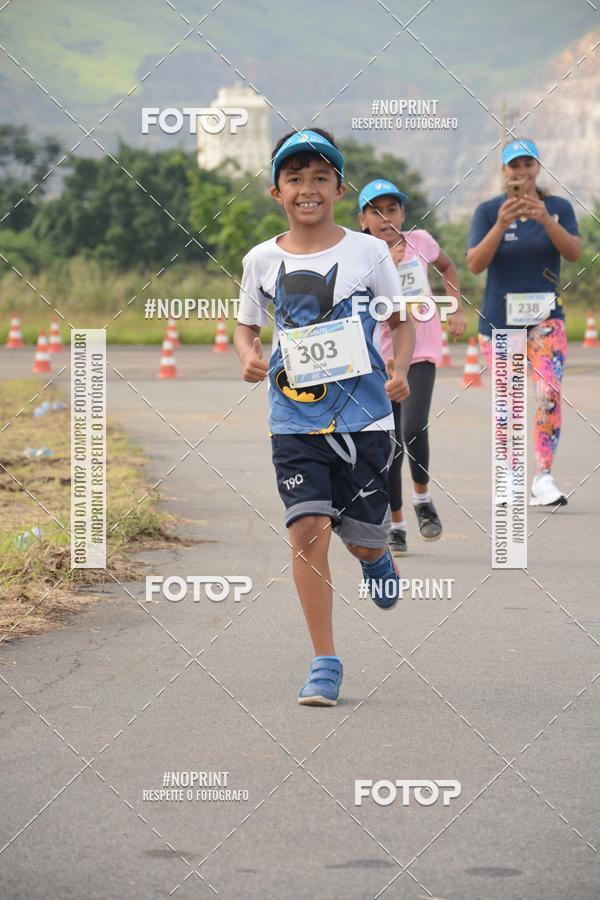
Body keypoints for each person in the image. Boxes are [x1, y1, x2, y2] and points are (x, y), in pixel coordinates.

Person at [234, 130, 415, 706]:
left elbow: (401, 320)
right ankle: (324, 662)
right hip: (293, 420)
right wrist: (248, 354)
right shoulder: (261, 259)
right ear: (276, 191)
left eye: (319, 178)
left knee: (359, 541)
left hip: (364, 420)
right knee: (307, 531)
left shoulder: (368, 254)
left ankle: (375, 553)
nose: (307, 189)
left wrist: (401, 368)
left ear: (339, 187)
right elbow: (247, 324)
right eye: (294, 179)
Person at [467, 138, 581, 506]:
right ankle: (510, 478)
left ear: (537, 168)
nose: (522, 172)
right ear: (504, 172)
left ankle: (543, 478)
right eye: (514, 166)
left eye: (528, 164)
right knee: (510, 403)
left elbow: (575, 252)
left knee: (548, 395)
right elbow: (474, 264)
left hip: (547, 320)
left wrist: (545, 219)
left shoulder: (558, 208)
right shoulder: (488, 211)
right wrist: (501, 225)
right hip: (501, 323)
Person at [358, 179, 466, 555]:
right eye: (376, 210)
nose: (385, 217)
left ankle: (423, 500)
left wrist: (455, 307)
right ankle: (397, 524)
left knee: (413, 428)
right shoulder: (361, 255)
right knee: (387, 444)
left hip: (421, 351)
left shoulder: (420, 241)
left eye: (392, 209)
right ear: (363, 220)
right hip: (379, 357)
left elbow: (448, 267)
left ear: (402, 213)